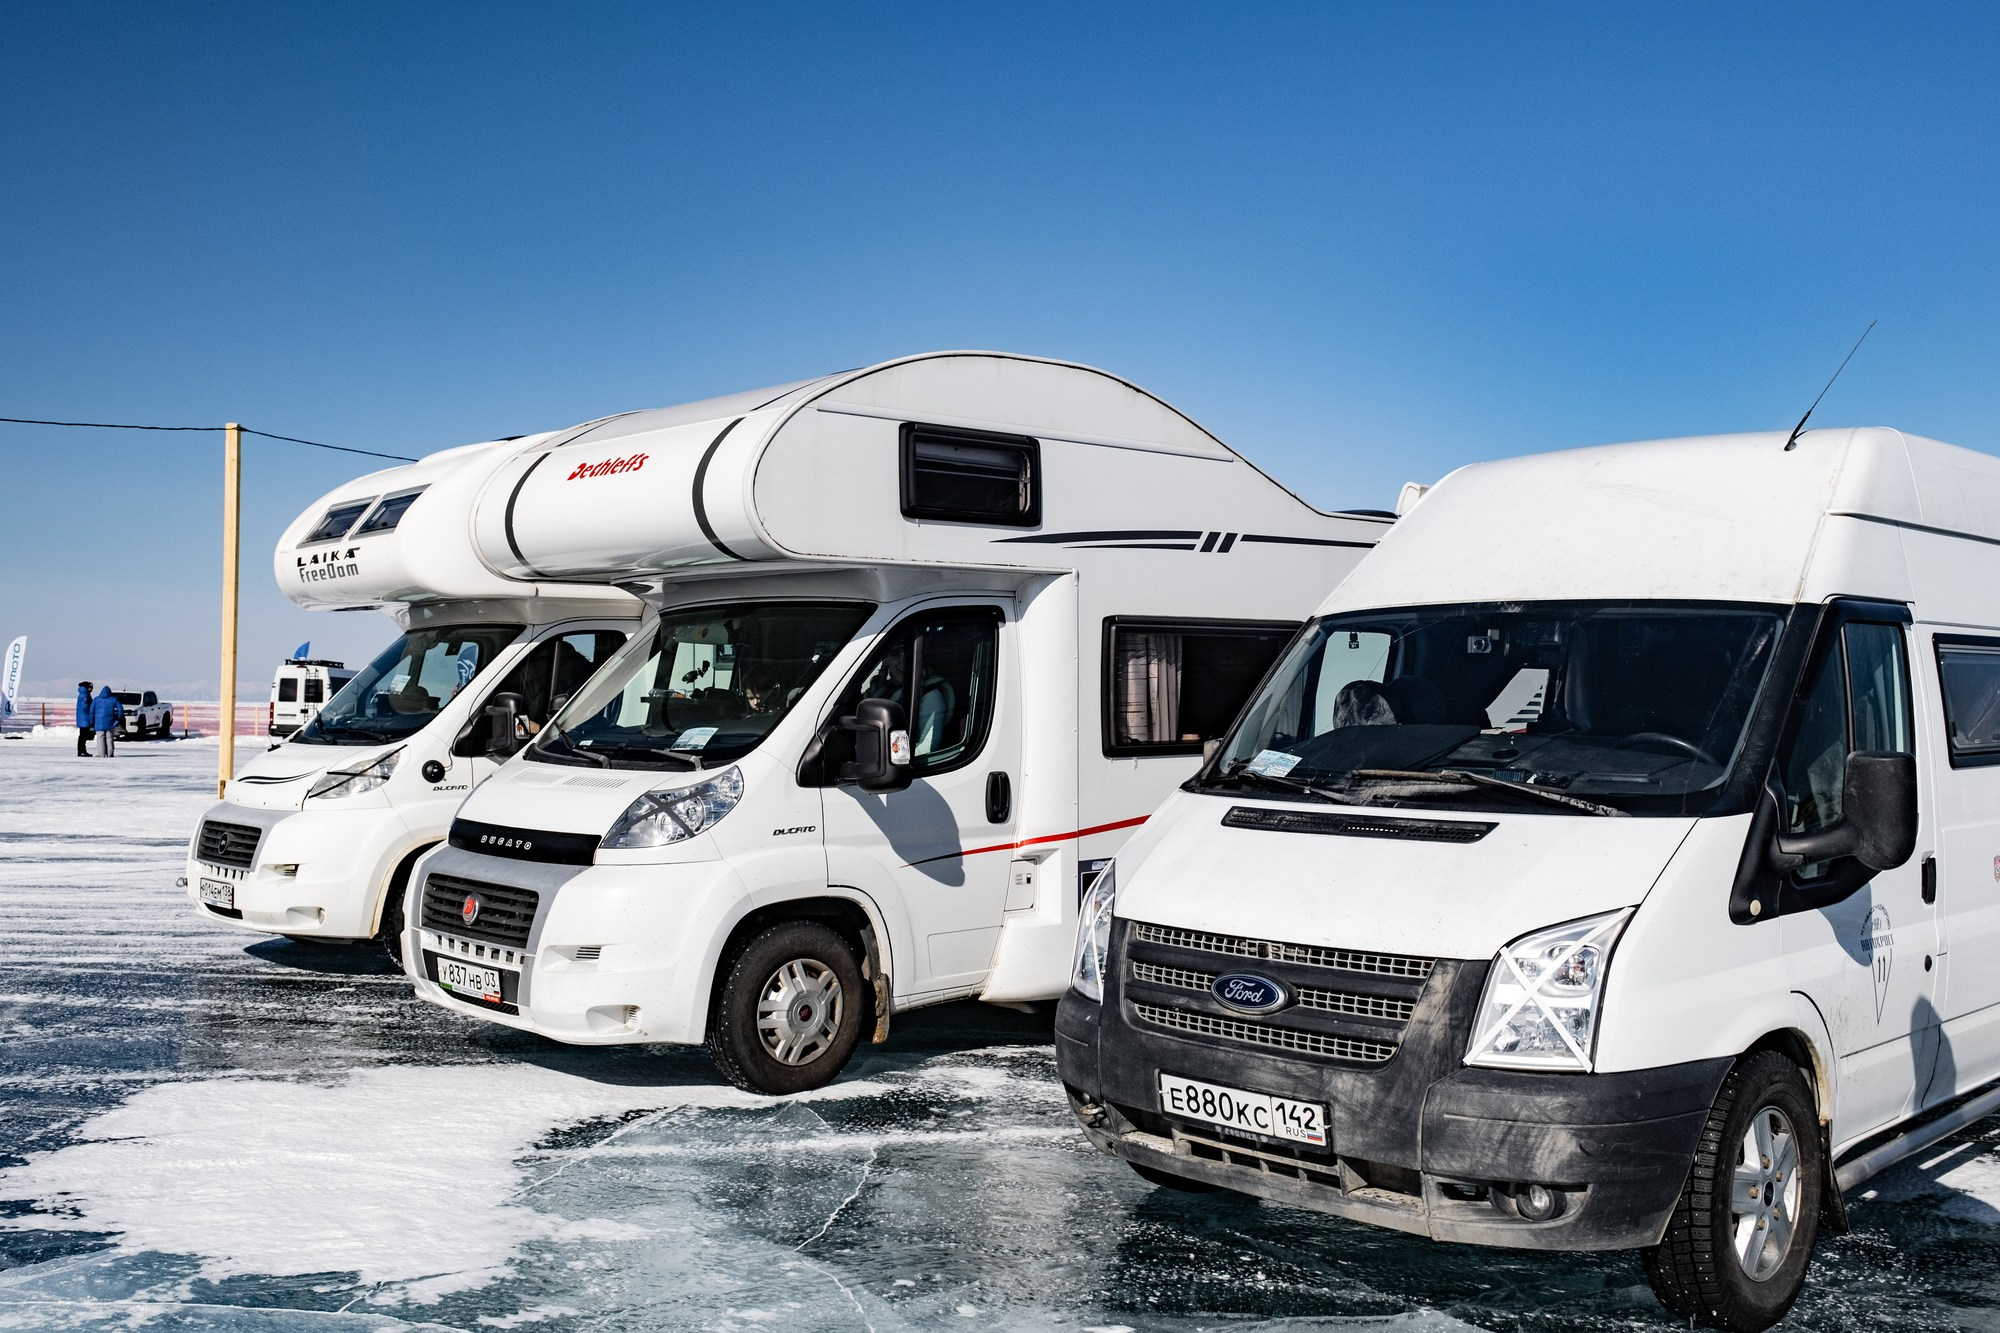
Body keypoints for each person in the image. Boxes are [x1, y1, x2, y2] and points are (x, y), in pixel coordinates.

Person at [89, 685, 123, 757]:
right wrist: (118, 718)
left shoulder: (96, 700)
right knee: (109, 738)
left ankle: (101, 754)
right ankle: (110, 753)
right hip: (110, 722)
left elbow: (91, 711)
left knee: (100, 738)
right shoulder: (113, 699)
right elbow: (120, 709)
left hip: (99, 723)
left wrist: (92, 721)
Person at [75, 681, 94, 757]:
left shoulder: (83, 694)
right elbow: (84, 707)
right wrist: (91, 711)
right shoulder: (85, 695)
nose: (91, 689)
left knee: (82, 736)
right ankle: (81, 751)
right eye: (90, 687)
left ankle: (82, 750)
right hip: (85, 719)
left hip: (83, 718)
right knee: (83, 736)